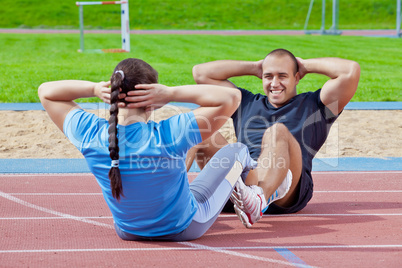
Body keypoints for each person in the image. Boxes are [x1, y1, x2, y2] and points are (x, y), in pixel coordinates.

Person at [38, 58, 256, 241]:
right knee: (238, 150)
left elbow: (46, 91)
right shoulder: (169, 133)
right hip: (184, 228)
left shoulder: (89, 134)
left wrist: (93, 88)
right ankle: (257, 198)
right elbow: (232, 97)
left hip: (128, 231)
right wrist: (171, 93)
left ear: (112, 95)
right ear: (153, 101)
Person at [187, 49, 361, 228]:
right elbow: (201, 73)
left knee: (277, 131)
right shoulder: (244, 102)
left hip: (287, 189)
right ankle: (170, 200)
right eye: (268, 76)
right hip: (243, 186)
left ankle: (258, 199)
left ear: (297, 77)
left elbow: (350, 71)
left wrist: (305, 65)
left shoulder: (317, 105)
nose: (275, 83)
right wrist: (255, 67)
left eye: (282, 76)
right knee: (199, 129)